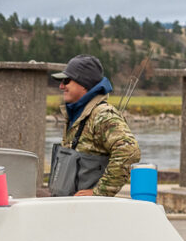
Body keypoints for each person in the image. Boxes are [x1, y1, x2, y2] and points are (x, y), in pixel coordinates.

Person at [49, 54, 140, 197]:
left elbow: (129, 151)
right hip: (70, 208)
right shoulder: (75, 114)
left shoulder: (102, 115)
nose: (61, 86)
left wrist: (99, 192)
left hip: (90, 211)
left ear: (84, 84)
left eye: (66, 81)